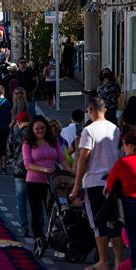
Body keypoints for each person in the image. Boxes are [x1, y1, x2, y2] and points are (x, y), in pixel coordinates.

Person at [70, 97, 123, 270]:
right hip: (113, 181)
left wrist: (77, 185)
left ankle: (103, 261)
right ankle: (118, 261)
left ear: (90, 110)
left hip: (94, 181)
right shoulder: (115, 129)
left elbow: (84, 158)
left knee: (98, 223)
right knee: (114, 222)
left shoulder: (89, 130)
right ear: (105, 110)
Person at [23, 115, 71, 244]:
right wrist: (44, 170)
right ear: (32, 130)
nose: (40, 131)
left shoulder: (53, 141)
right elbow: (28, 164)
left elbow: (62, 158)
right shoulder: (28, 143)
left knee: (54, 210)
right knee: (36, 211)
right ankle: (38, 236)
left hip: (52, 182)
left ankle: (55, 235)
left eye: (42, 128)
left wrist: (71, 172)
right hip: (34, 181)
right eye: (37, 129)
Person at [104, 131, 136, 269]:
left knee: (134, 241)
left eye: (123, 145)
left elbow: (108, 187)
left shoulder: (122, 163)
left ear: (130, 146)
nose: (123, 148)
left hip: (130, 205)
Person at [7, 111, 31, 237]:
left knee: (21, 199)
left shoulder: (15, 135)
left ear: (18, 122)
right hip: (34, 171)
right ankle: (40, 228)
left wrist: (13, 161)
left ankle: (24, 227)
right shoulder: (35, 134)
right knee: (35, 200)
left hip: (19, 171)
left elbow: (9, 153)